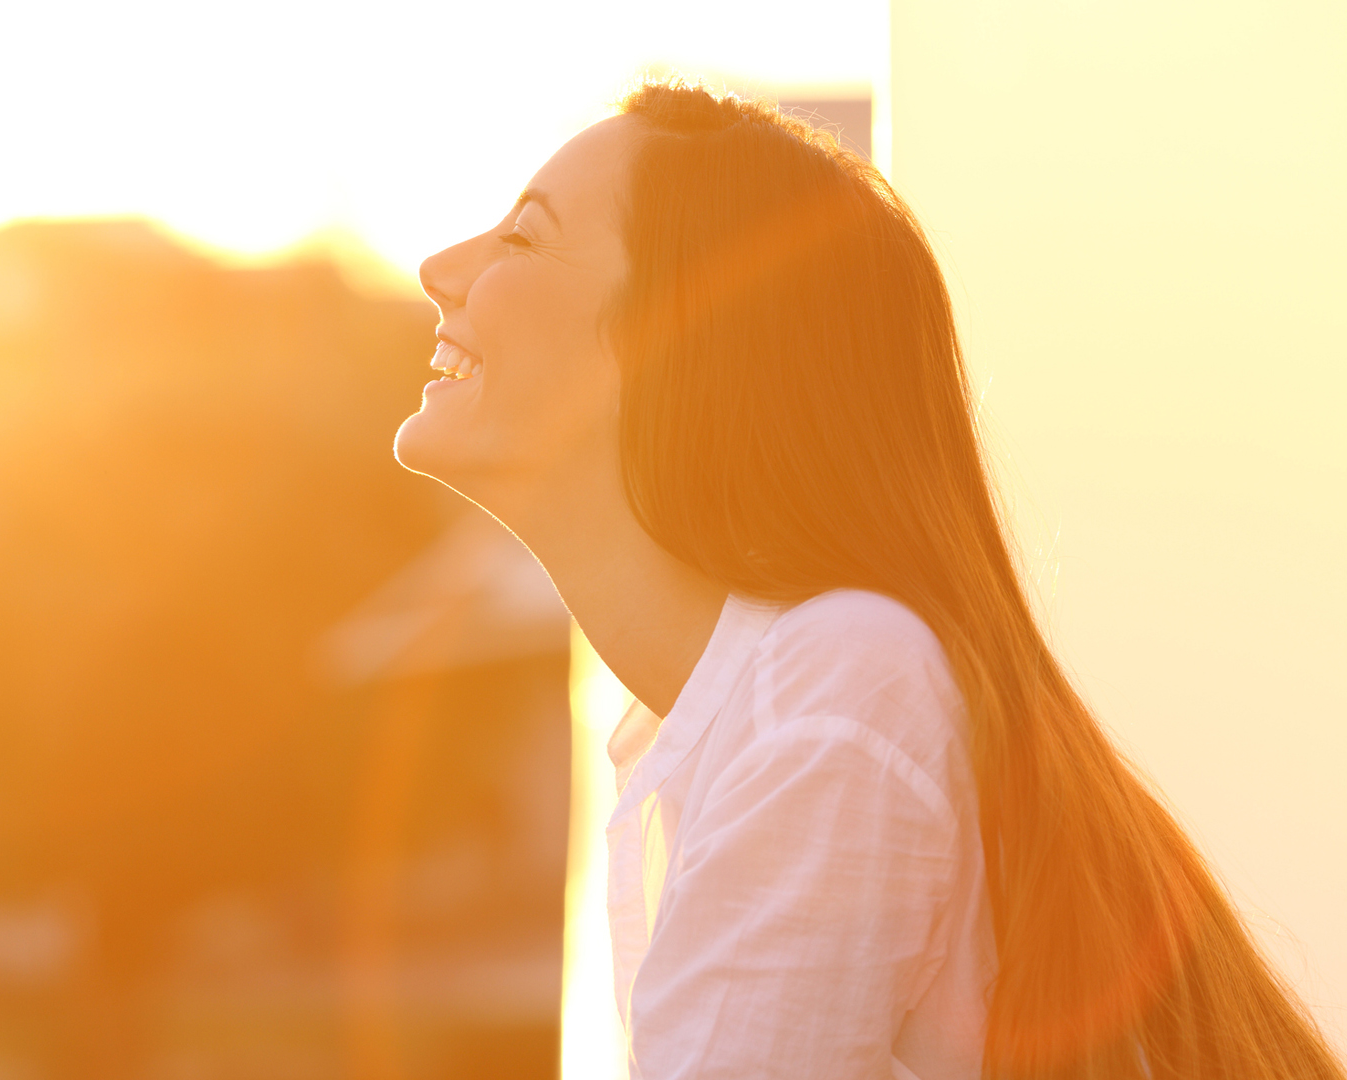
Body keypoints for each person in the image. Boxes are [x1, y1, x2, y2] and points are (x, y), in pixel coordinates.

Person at [393, 82, 1342, 1080]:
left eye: (525, 239)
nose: (439, 270)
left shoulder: (835, 691)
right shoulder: (750, 715)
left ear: (678, 338)